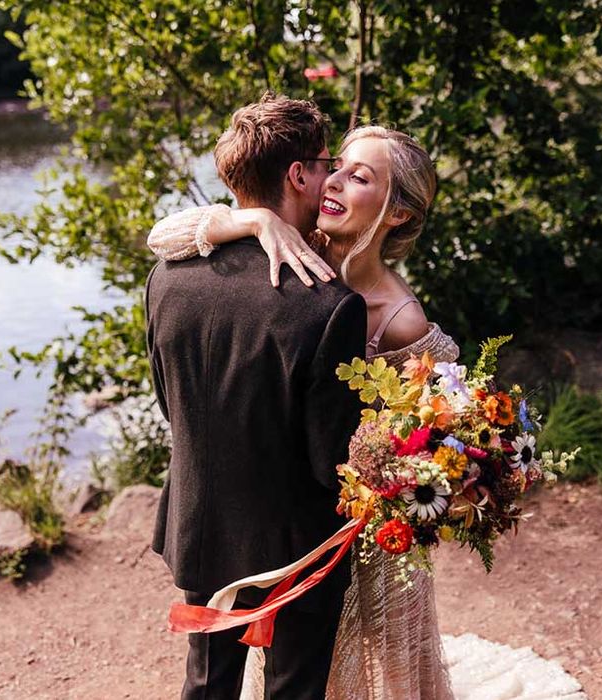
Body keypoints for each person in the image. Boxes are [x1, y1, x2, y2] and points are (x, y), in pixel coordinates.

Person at [149, 121, 459, 699]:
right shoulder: (290, 246)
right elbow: (164, 236)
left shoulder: (400, 320)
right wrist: (252, 217)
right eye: (335, 166)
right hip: (286, 522)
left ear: (396, 213)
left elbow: (423, 434)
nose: (335, 181)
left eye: (358, 176)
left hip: (351, 530)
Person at [145, 93, 368, 699]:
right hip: (296, 545)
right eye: (325, 163)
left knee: (207, 684)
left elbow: (171, 401)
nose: (333, 177)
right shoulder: (330, 307)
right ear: (297, 175)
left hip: (201, 519)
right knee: (293, 690)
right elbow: (332, 464)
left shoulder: (168, 276)